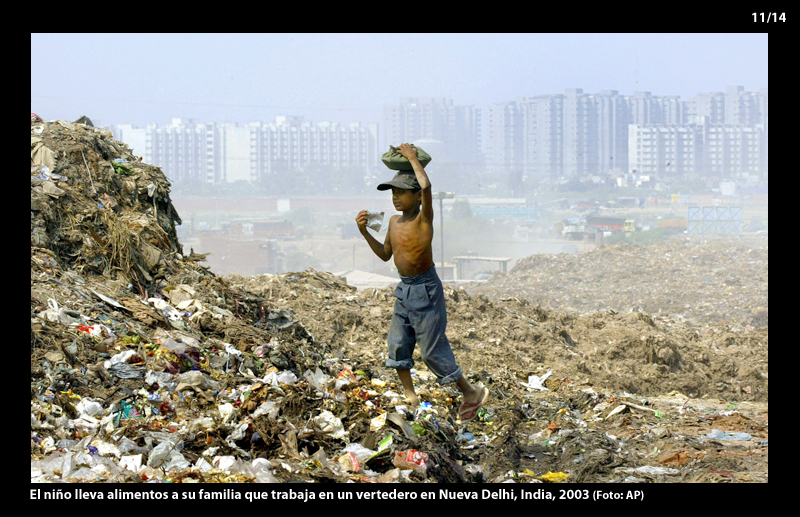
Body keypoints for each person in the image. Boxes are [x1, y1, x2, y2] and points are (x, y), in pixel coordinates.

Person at [355, 143, 489, 423]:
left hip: (426, 289)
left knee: (431, 351)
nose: (395, 198)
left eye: (401, 192)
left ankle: (471, 392)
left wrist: (413, 159)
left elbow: (427, 188)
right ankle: (411, 397)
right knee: (398, 343)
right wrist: (364, 232)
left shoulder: (423, 218)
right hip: (404, 289)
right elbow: (384, 255)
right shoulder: (392, 222)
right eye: (393, 192)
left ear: (417, 196)